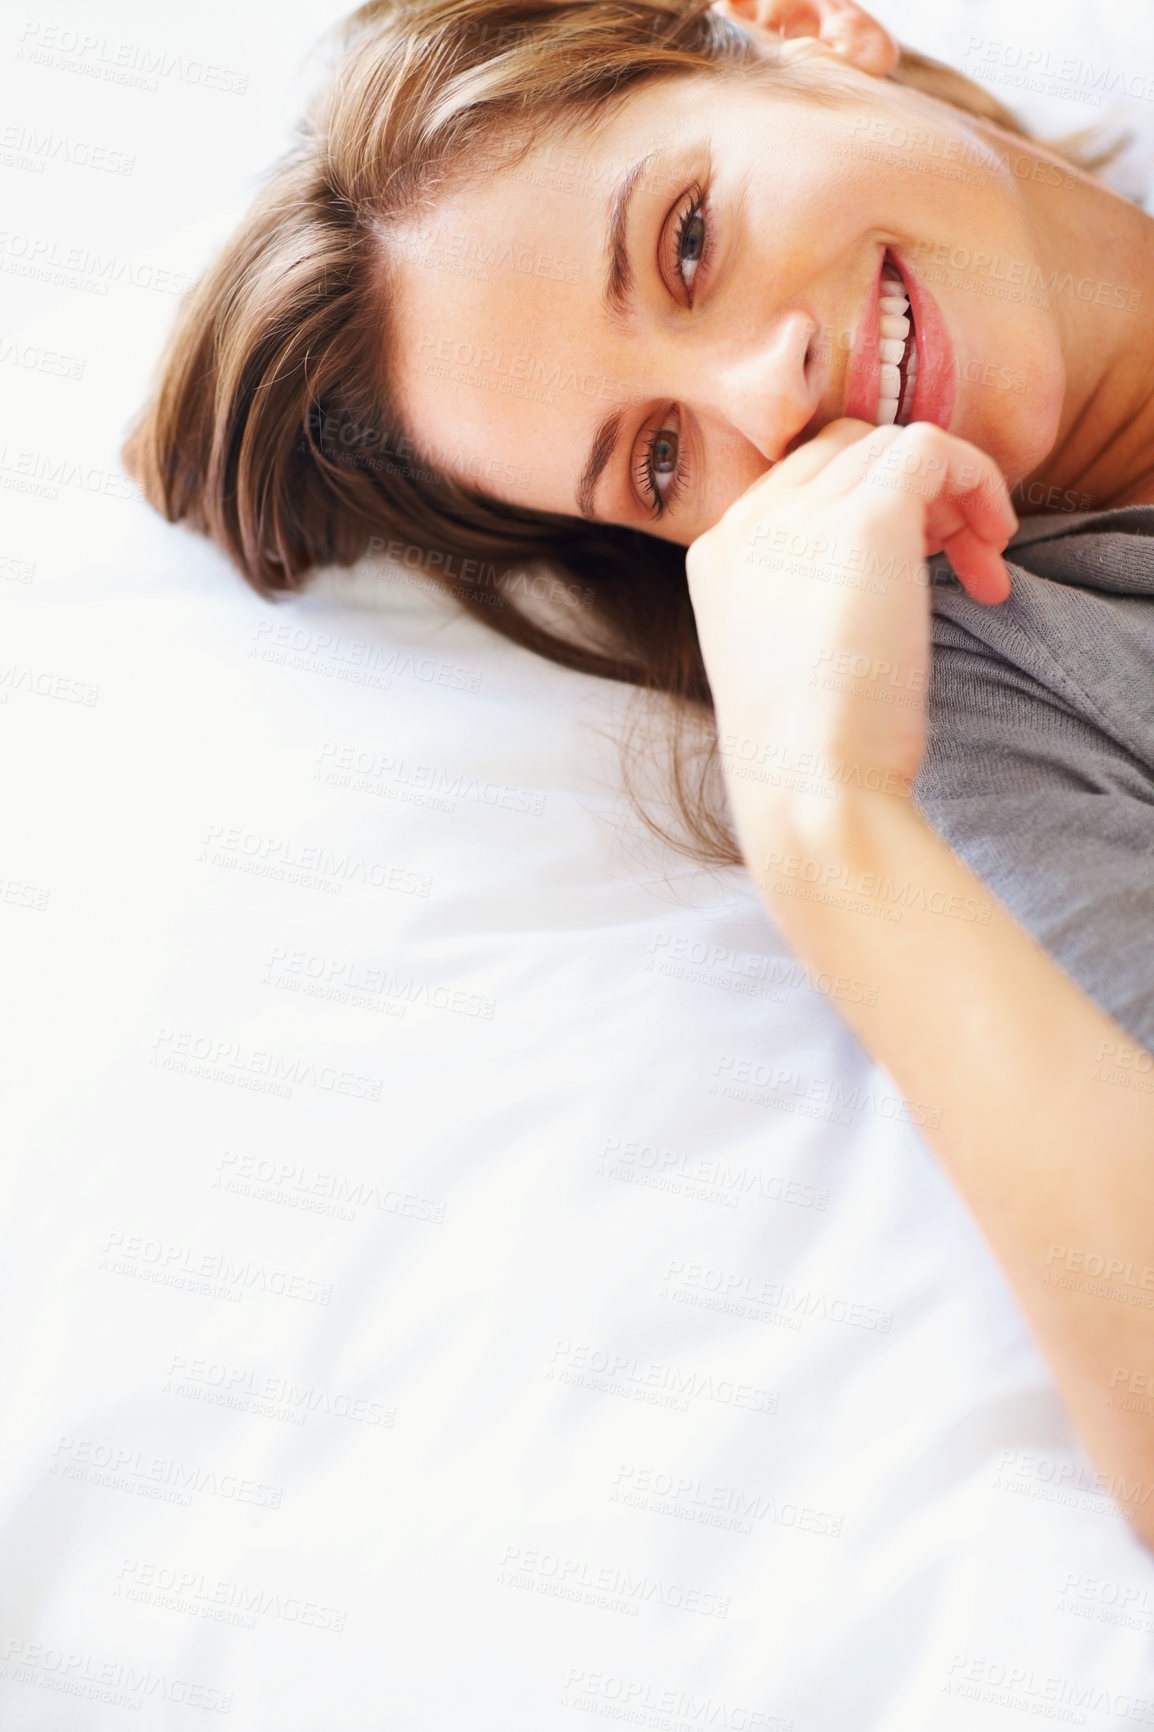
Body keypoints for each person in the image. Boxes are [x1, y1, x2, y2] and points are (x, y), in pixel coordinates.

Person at [122, 0, 1154, 1547]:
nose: (760, 392)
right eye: (660, 459)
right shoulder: (998, 711)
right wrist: (827, 828)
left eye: (683, 242)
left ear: (798, 30)